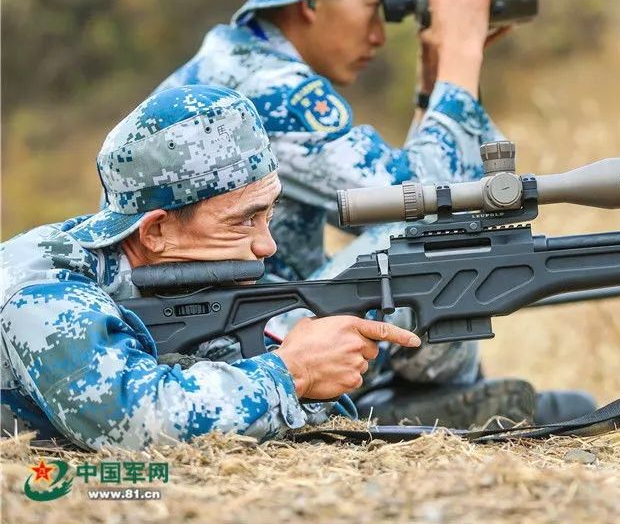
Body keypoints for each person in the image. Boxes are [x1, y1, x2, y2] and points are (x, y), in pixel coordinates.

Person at [153, 0, 594, 427]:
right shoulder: (273, 93)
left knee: (412, 248)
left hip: (211, 329)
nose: (381, 35)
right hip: (228, 356)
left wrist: (435, 91)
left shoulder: (231, 65)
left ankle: (411, 403)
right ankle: (426, 404)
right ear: (312, 2)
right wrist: (459, 66)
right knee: (420, 253)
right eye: (372, 6)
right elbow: (420, 211)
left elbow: (396, 199)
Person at [0, 85, 422, 450]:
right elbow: (139, 422)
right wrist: (293, 371)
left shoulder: (188, 280)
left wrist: (316, 379)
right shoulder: (41, 286)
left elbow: (276, 403)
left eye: (268, 214)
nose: (266, 245)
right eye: (243, 219)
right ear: (156, 231)